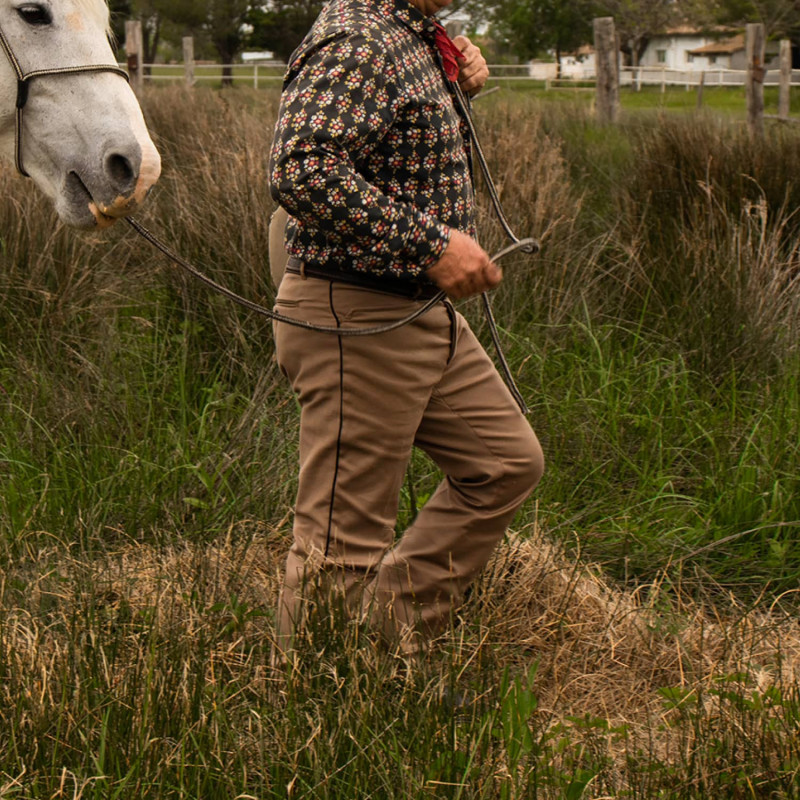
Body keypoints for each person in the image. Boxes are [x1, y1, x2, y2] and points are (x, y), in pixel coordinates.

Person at [268, 0, 544, 660]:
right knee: (341, 544)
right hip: (357, 314)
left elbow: (393, 141)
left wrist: (457, 76)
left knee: (505, 464)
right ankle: (308, 720)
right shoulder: (360, 40)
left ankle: (383, 648)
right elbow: (302, 167)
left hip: (417, 311)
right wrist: (429, 245)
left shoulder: (411, 34)